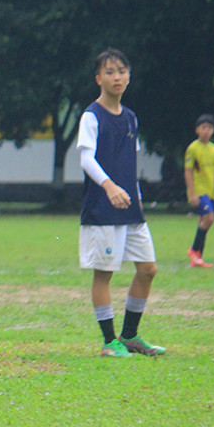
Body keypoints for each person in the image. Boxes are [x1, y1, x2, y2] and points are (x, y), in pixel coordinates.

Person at [77, 48, 165, 358]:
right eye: (110, 71)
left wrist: (136, 196)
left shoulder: (130, 117)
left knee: (148, 269)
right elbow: (87, 158)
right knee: (104, 273)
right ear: (99, 78)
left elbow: (131, 161)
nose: (117, 77)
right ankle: (109, 342)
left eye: (122, 71)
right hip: (102, 209)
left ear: (129, 77)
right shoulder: (91, 115)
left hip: (131, 209)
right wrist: (109, 185)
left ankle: (130, 336)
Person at [184, 114, 214, 268]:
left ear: (213, 130)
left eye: (209, 128)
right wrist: (192, 193)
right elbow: (188, 171)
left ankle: (197, 259)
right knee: (209, 218)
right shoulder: (193, 148)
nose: (206, 131)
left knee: (203, 221)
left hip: (211, 191)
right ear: (197, 130)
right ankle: (194, 249)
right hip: (199, 190)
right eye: (203, 128)